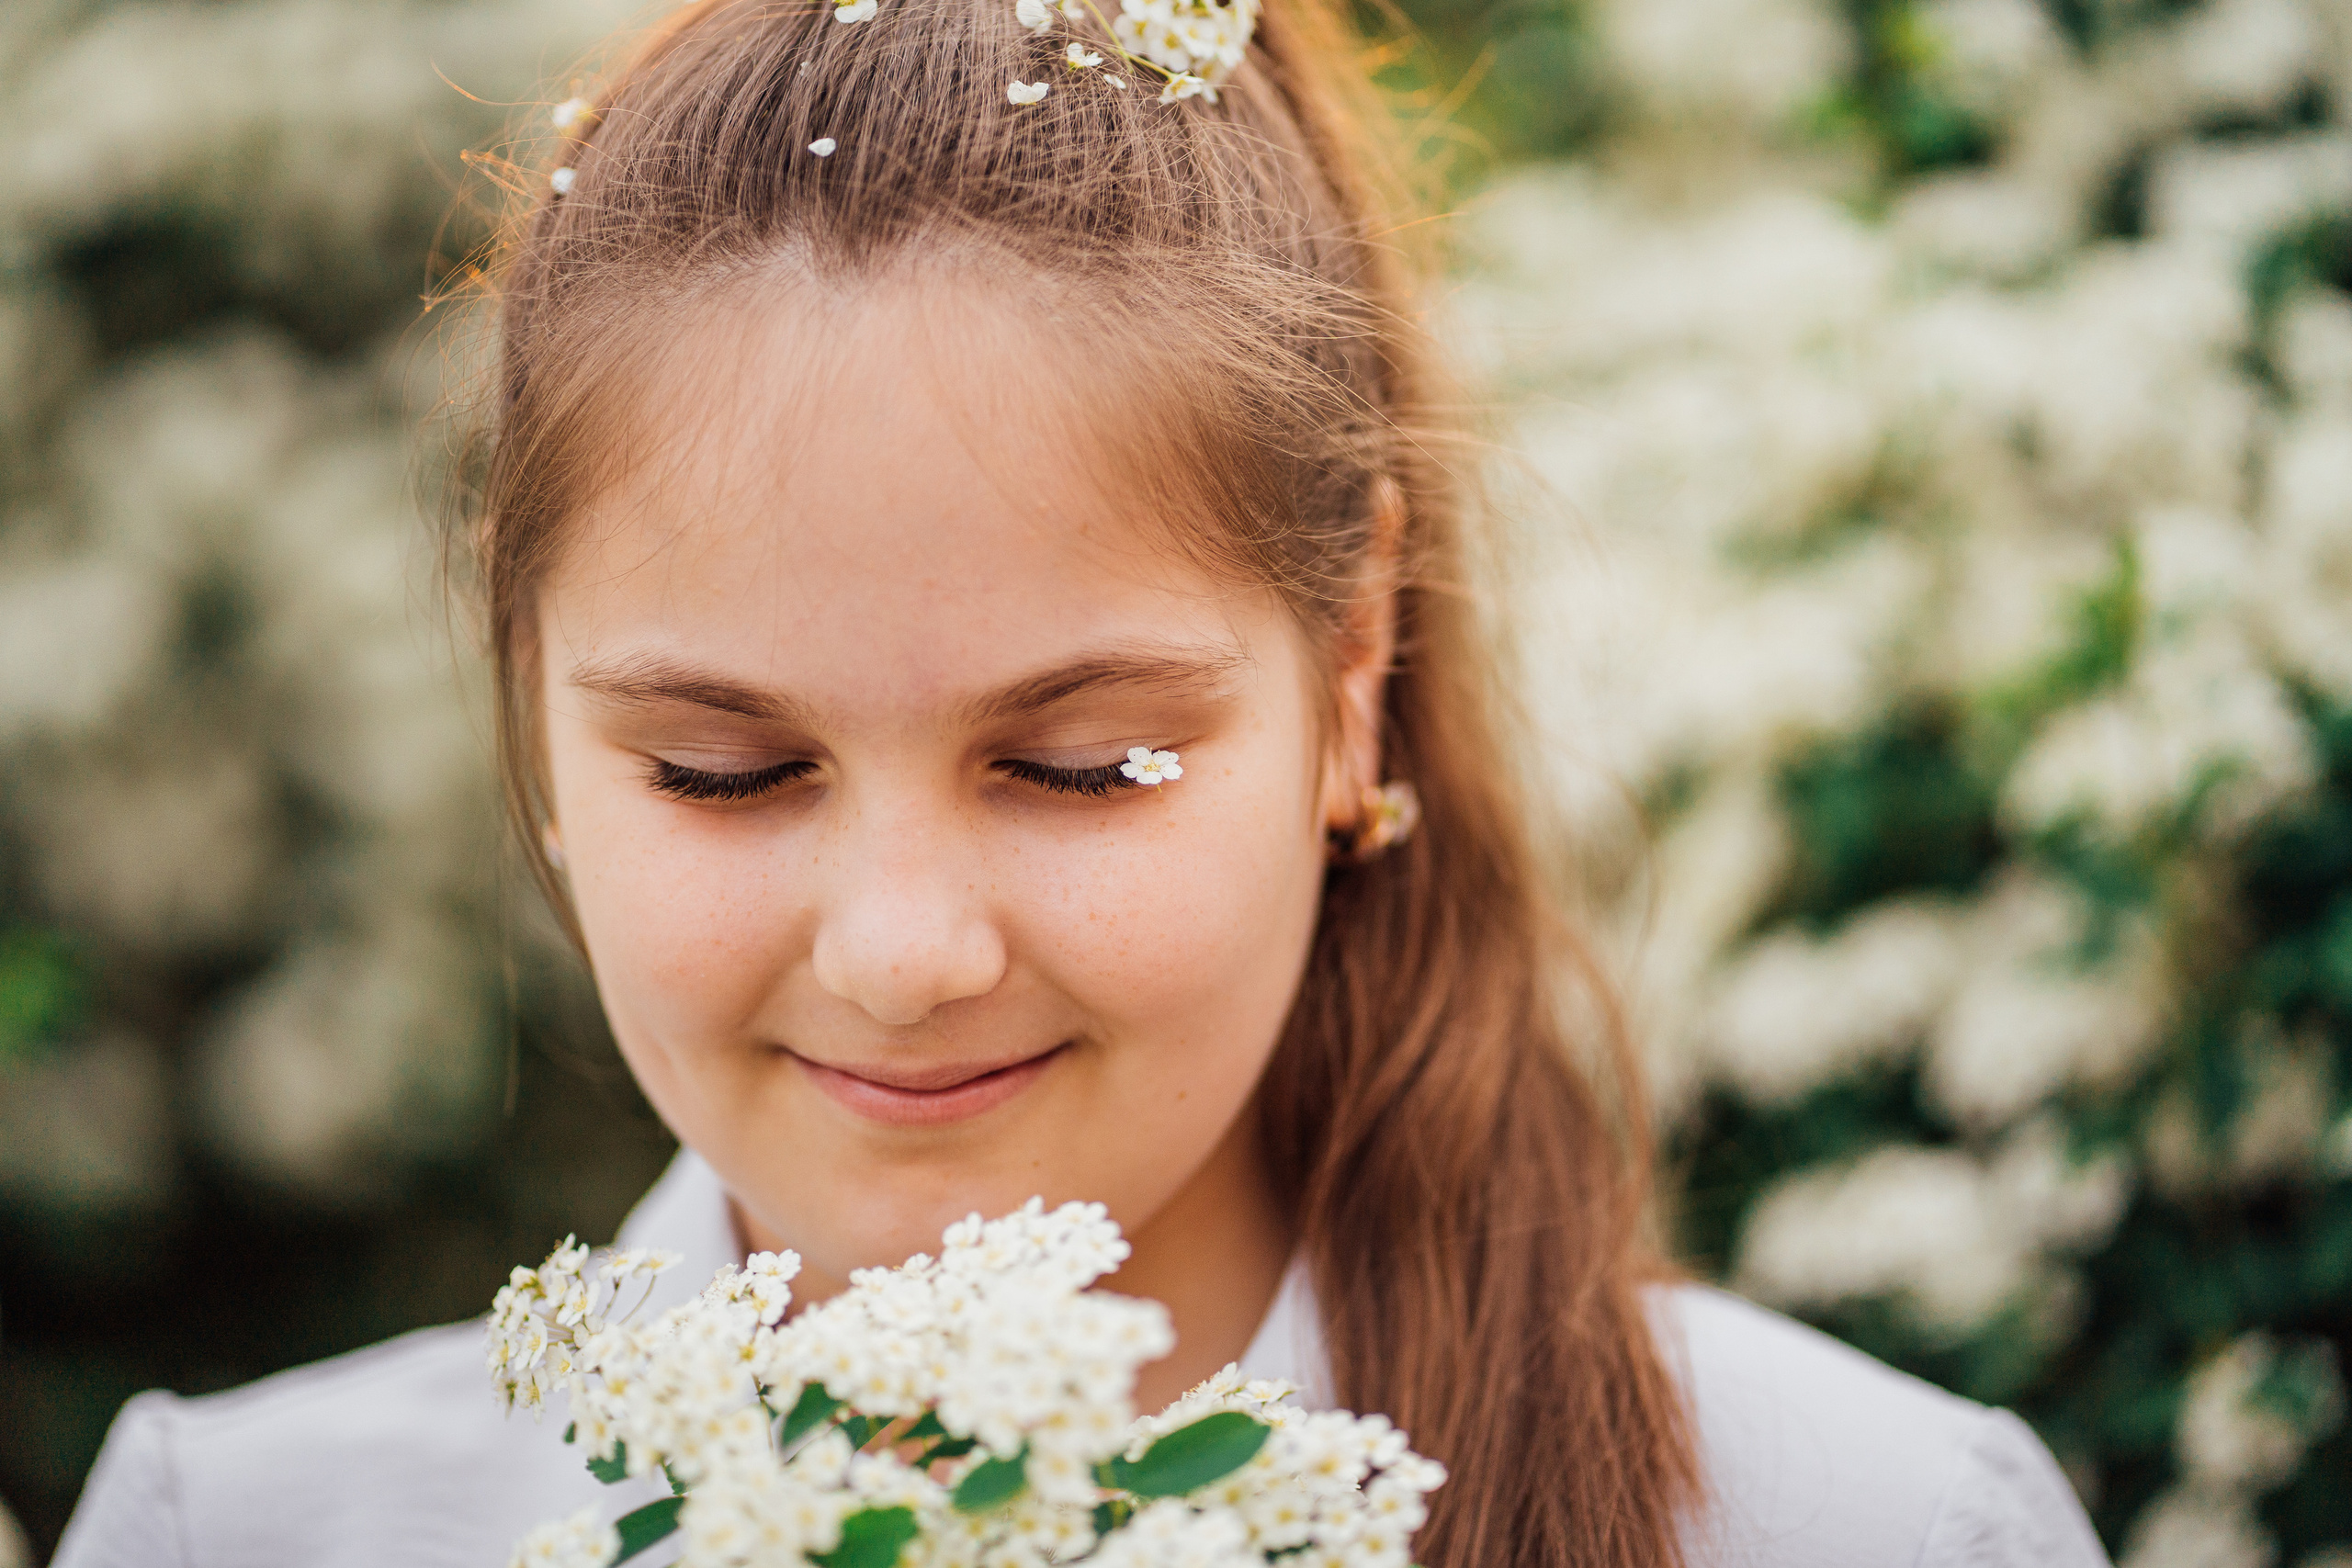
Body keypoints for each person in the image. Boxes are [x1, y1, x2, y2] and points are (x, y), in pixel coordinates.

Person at [51, 0, 2115, 1562]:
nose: (905, 949)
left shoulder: (1864, 1526)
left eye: (1078, 762)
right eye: (724, 767)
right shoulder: (247, 1531)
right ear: (533, 725)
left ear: (1353, 673)